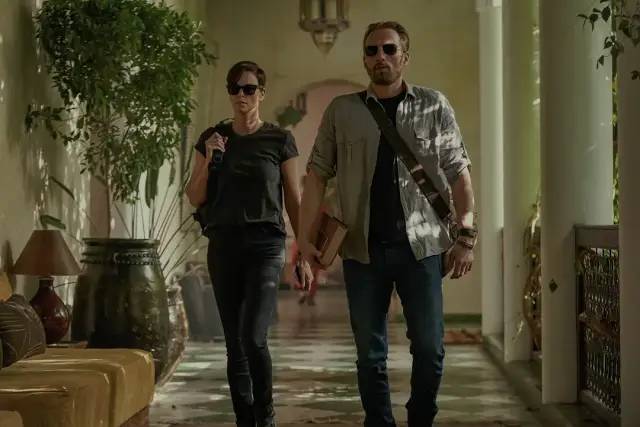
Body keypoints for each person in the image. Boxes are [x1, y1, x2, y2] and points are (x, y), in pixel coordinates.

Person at [298, 22, 477, 427]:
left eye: (389, 49)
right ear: (364, 59)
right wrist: (307, 241)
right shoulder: (342, 111)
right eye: (372, 50)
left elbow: (459, 173)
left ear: (404, 57)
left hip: (422, 250)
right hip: (363, 251)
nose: (381, 56)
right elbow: (316, 175)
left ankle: (420, 419)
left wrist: (466, 235)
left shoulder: (433, 105)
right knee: (369, 353)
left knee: (430, 349)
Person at [186, 60, 312, 427]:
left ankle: (265, 415)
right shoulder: (212, 137)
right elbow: (194, 196)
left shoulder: (279, 139)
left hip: (265, 247)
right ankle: (245, 419)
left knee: (253, 337)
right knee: (234, 344)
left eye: (249, 89)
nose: (242, 95)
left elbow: (294, 199)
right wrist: (210, 159)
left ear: (261, 93)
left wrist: (303, 252)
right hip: (224, 245)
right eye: (235, 88)